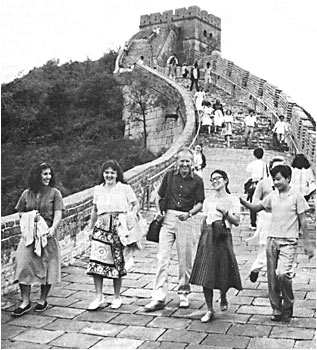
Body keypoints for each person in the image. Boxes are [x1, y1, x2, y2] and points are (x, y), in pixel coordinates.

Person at [240, 165, 314, 322]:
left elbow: (303, 221)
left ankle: (288, 304)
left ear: (288, 178)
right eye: (274, 179)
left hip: (289, 241)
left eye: (279, 179)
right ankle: (276, 309)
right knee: (272, 278)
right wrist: (242, 202)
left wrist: (307, 243)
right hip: (272, 239)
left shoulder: (296, 196)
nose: (276, 182)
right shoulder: (272, 196)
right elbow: (256, 207)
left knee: (283, 274)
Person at [144, 148, 205, 311]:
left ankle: (184, 293)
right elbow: (158, 196)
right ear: (176, 162)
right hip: (168, 218)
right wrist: (159, 211)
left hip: (185, 218)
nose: (184, 164)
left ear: (192, 163)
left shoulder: (197, 180)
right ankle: (158, 296)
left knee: (185, 259)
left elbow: (200, 203)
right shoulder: (169, 176)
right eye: (182, 160)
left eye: (188, 161)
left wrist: (190, 213)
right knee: (162, 258)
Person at [87, 160, 141, 310]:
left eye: (112, 172)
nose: (109, 175)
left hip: (119, 228)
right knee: (96, 262)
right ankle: (99, 296)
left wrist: (131, 216)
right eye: (106, 172)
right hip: (101, 227)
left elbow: (136, 204)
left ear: (117, 174)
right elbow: (95, 210)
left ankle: (117, 297)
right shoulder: (98, 189)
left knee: (117, 262)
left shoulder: (124, 188)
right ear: (103, 174)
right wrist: (90, 229)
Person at [12, 162, 64, 317]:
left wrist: (52, 229)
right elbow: (20, 212)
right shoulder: (27, 194)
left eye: (49, 174)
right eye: (44, 174)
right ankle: (25, 301)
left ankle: (42, 300)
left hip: (47, 234)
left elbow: (58, 213)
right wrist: (29, 216)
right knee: (23, 265)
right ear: (37, 175)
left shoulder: (55, 193)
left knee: (48, 266)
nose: (48, 177)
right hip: (29, 235)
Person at [190, 170, 242, 323]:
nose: (215, 181)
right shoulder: (208, 200)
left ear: (226, 180)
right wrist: (201, 236)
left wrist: (225, 212)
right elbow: (205, 218)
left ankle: (223, 295)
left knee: (223, 270)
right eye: (212, 179)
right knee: (205, 273)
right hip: (208, 236)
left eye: (218, 178)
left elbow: (237, 221)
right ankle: (209, 309)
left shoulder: (232, 199)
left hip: (223, 235)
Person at [247, 156, 285, 283]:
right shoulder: (263, 183)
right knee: (265, 247)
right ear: (270, 169)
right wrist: (266, 204)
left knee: (281, 249)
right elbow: (255, 201)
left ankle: (276, 281)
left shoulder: (288, 184)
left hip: (282, 219)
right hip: (267, 218)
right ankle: (256, 268)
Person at [245, 148, 268, 230]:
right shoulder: (265, 164)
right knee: (263, 203)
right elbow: (266, 176)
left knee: (253, 203)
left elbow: (248, 176)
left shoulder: (251, 164)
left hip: (254, 185)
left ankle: (253, 223)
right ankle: (263, 221)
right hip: (262, 184)